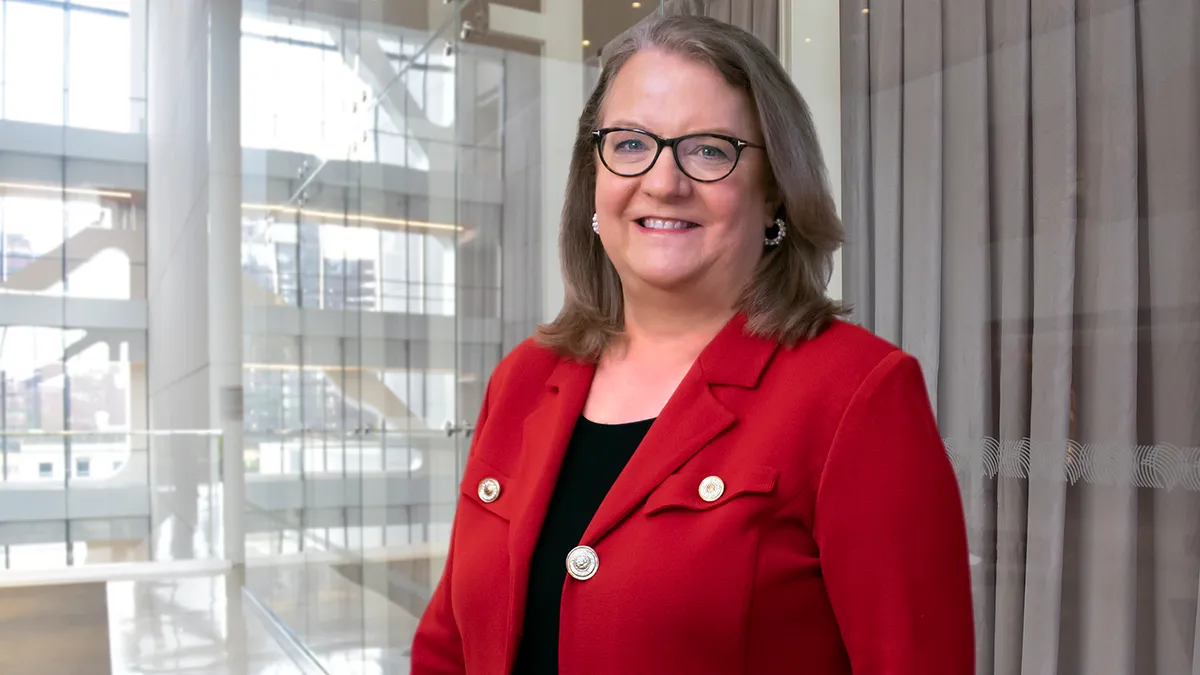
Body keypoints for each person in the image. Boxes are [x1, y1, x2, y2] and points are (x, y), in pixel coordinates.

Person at [411, 14, 974, 675]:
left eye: (709, 149)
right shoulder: (525, 377)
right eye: (628, 144)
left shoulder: (856, 392)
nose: (663, 181)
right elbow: (447, 646)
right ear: (593, 179)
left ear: (774, 197)